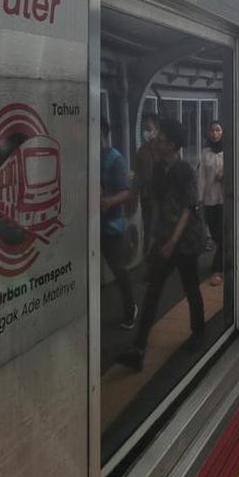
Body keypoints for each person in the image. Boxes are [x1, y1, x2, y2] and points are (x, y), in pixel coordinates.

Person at [118, 118, 205, 371]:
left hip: (185, 242)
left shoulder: (185, 170)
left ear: (174, 145)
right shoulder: (158, 169)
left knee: (191, 288)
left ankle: (198, 332)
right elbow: (156, 203)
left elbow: (189, 209)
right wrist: (154, 237)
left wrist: (173, 242)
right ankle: (138, 348)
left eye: (164, 139)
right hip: (165, 239)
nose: (158, 141)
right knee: (153, 291)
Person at [99, 120, 138, 329]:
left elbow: (126, 191)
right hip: (92, 227)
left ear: (102, 133)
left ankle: (130, 309)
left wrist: (107, 201)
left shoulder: (116, 159)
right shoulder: (87, 156)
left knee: (119, 270)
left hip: (113, 227)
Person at [199, 121, 226, 286]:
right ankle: (222, 262)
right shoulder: (205, 153)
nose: (215, 133)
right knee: (216, 234)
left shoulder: (228, 152)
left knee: (222, 236)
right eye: (212, 130)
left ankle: (217, 269)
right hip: (209, 200)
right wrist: (199, 198)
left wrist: (226, 176)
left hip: (224, 199)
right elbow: (200, 176)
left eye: (218, 129)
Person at [134, 114, 164, 253]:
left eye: (149, 128)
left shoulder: (163, 149)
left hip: (160, 195)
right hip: (146, 195)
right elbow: (138, 172)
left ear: (157, 130)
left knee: (157, 226)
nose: (146, 131)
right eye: (145, 128)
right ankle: (148, 254)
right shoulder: (142, 150)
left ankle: (158, 253)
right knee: (147, 225)